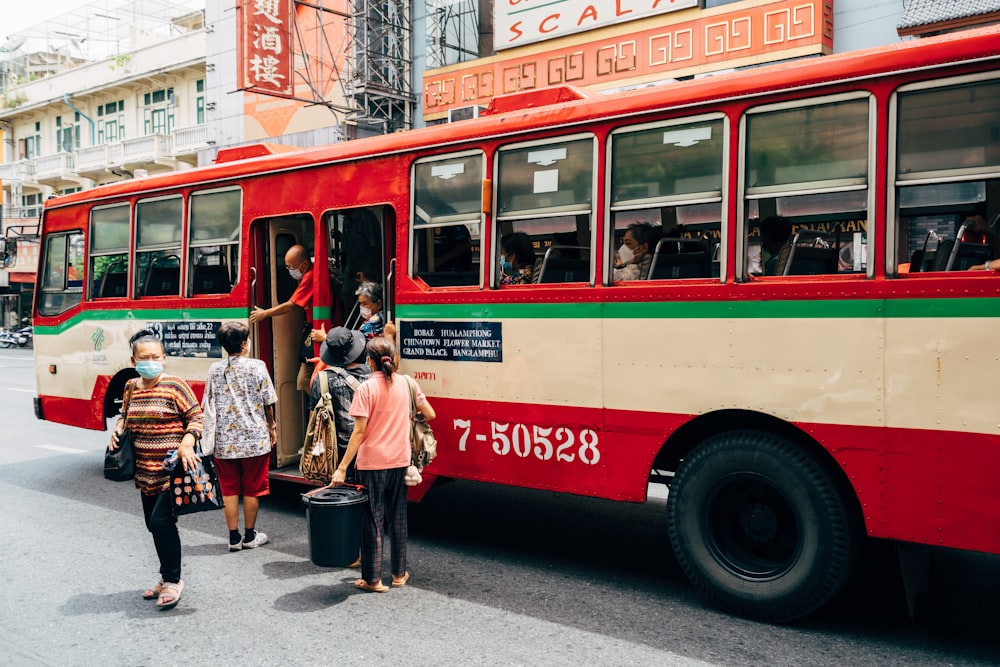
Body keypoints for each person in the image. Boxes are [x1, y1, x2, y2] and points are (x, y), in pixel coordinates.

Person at [331, 336, 436, 593]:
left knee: (373, 520)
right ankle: (399, 574)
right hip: (401, 460)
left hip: (372, 464)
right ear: (394, 359)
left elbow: (358, 433)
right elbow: (431, 414)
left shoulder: (366, 389)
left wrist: (342, 467)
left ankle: (373, 579)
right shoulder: (407, 383)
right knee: (398, 518)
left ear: (370, 361)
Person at [108, 329, 204, 610]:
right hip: (144, 470)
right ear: (133, 359)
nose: (150, 361)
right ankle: (165, 577)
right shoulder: (130, 387)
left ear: (164, 357)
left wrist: (187, 444)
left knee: (162, 523)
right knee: (153, 525)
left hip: (173, 469)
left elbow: (195, 416)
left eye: (155, 356)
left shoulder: (175, 385)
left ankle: (173, 581)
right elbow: (125, 417)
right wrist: (117, 429)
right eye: (144, 357)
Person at [204, 322, 278, 552]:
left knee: (229, 489)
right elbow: (268, 401)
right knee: (253, 488)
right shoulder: (257, 366)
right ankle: (249, 535)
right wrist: (272, 427)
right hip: (255, 440)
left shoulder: (214, 369)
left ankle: (233, 538)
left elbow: (208, 401)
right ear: (245, 344)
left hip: (224, 442)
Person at [308, 327, 371, 482]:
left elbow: (315, 423)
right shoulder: (374, 375)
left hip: (337, 455)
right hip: (371, 451)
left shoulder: (321, 380)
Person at [250, 244, 315, 390]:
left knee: (304, 380)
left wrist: (265, 313)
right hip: (310, 327)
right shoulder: (308, 275)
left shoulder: (310, 276)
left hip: (314, 329)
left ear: (304, 264)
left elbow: (291, 305)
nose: (290, 271)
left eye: (292, 267)